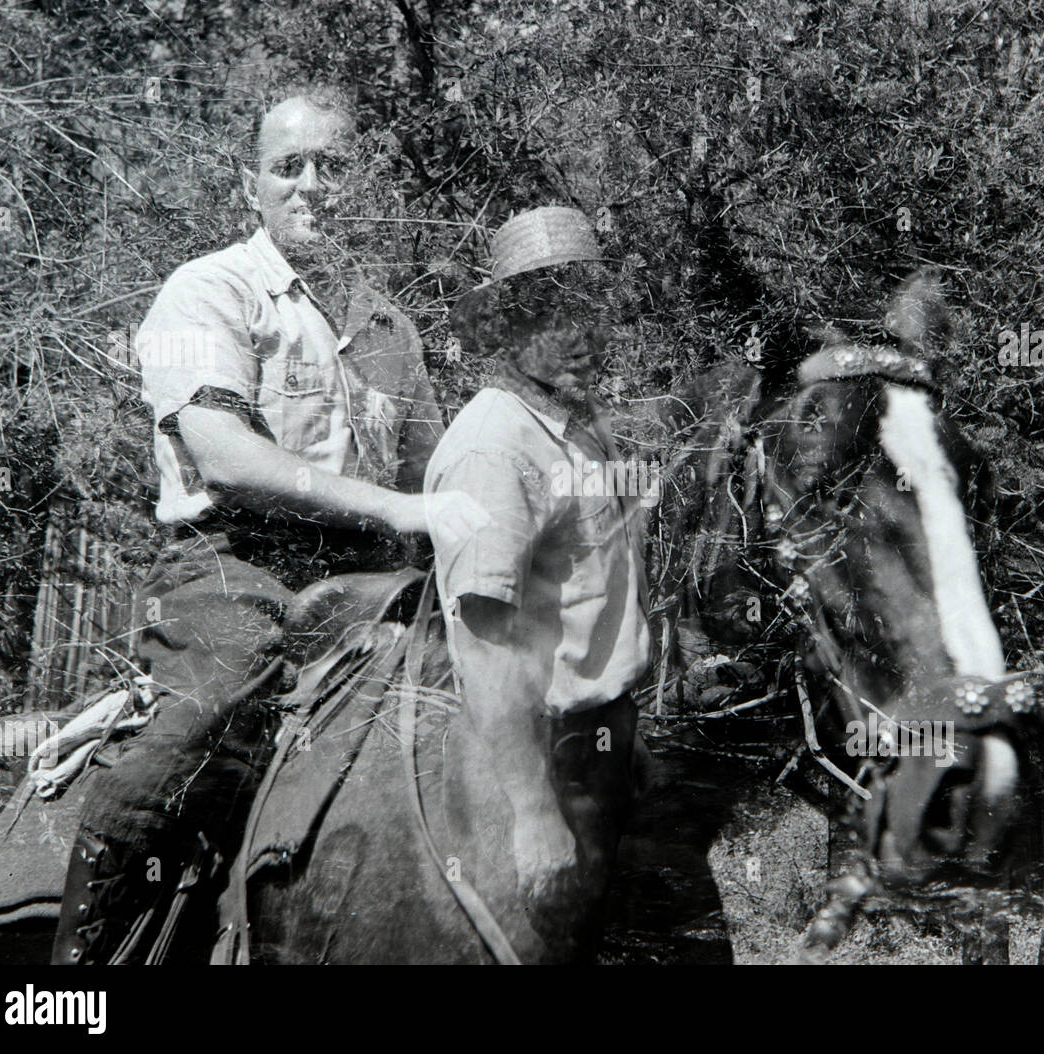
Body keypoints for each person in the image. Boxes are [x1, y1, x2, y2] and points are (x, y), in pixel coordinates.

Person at [52, 88, 488, 964]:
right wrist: (405, 509)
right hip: (236, 567)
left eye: (334, 167)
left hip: (374, 581)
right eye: (289, 166)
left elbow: (433, 473)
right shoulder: (211, 290)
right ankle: (75, 975)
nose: (313, 185)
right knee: (198, 719)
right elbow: (225, 455)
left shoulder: (389, 323)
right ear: (252, 185)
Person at [425, 207, 652, 899]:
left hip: (598, 739)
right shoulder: (495, 448)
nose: (583, 336)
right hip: (545, 756)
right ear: (510, 330)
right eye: (555, 315)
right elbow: (486, 647)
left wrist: (624, 731)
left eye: (592, 310)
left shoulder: (574, 424)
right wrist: (530, 812)